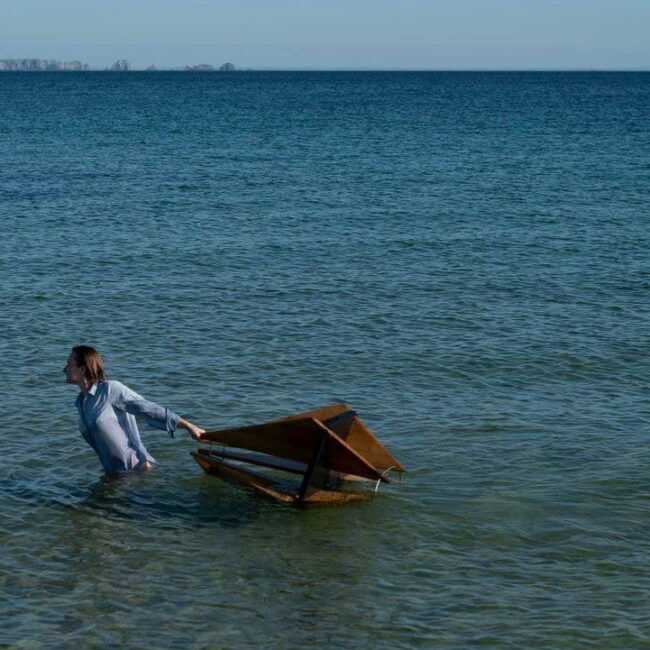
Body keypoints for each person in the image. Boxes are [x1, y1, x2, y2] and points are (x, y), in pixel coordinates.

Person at [64, 345, 205, 475]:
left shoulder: (109, 390)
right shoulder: (81, 402)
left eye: (69, 364)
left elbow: (148, 409)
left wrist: (188, 426)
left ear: (82, 369)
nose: (64, 369)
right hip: (114, 475)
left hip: (137, 471)